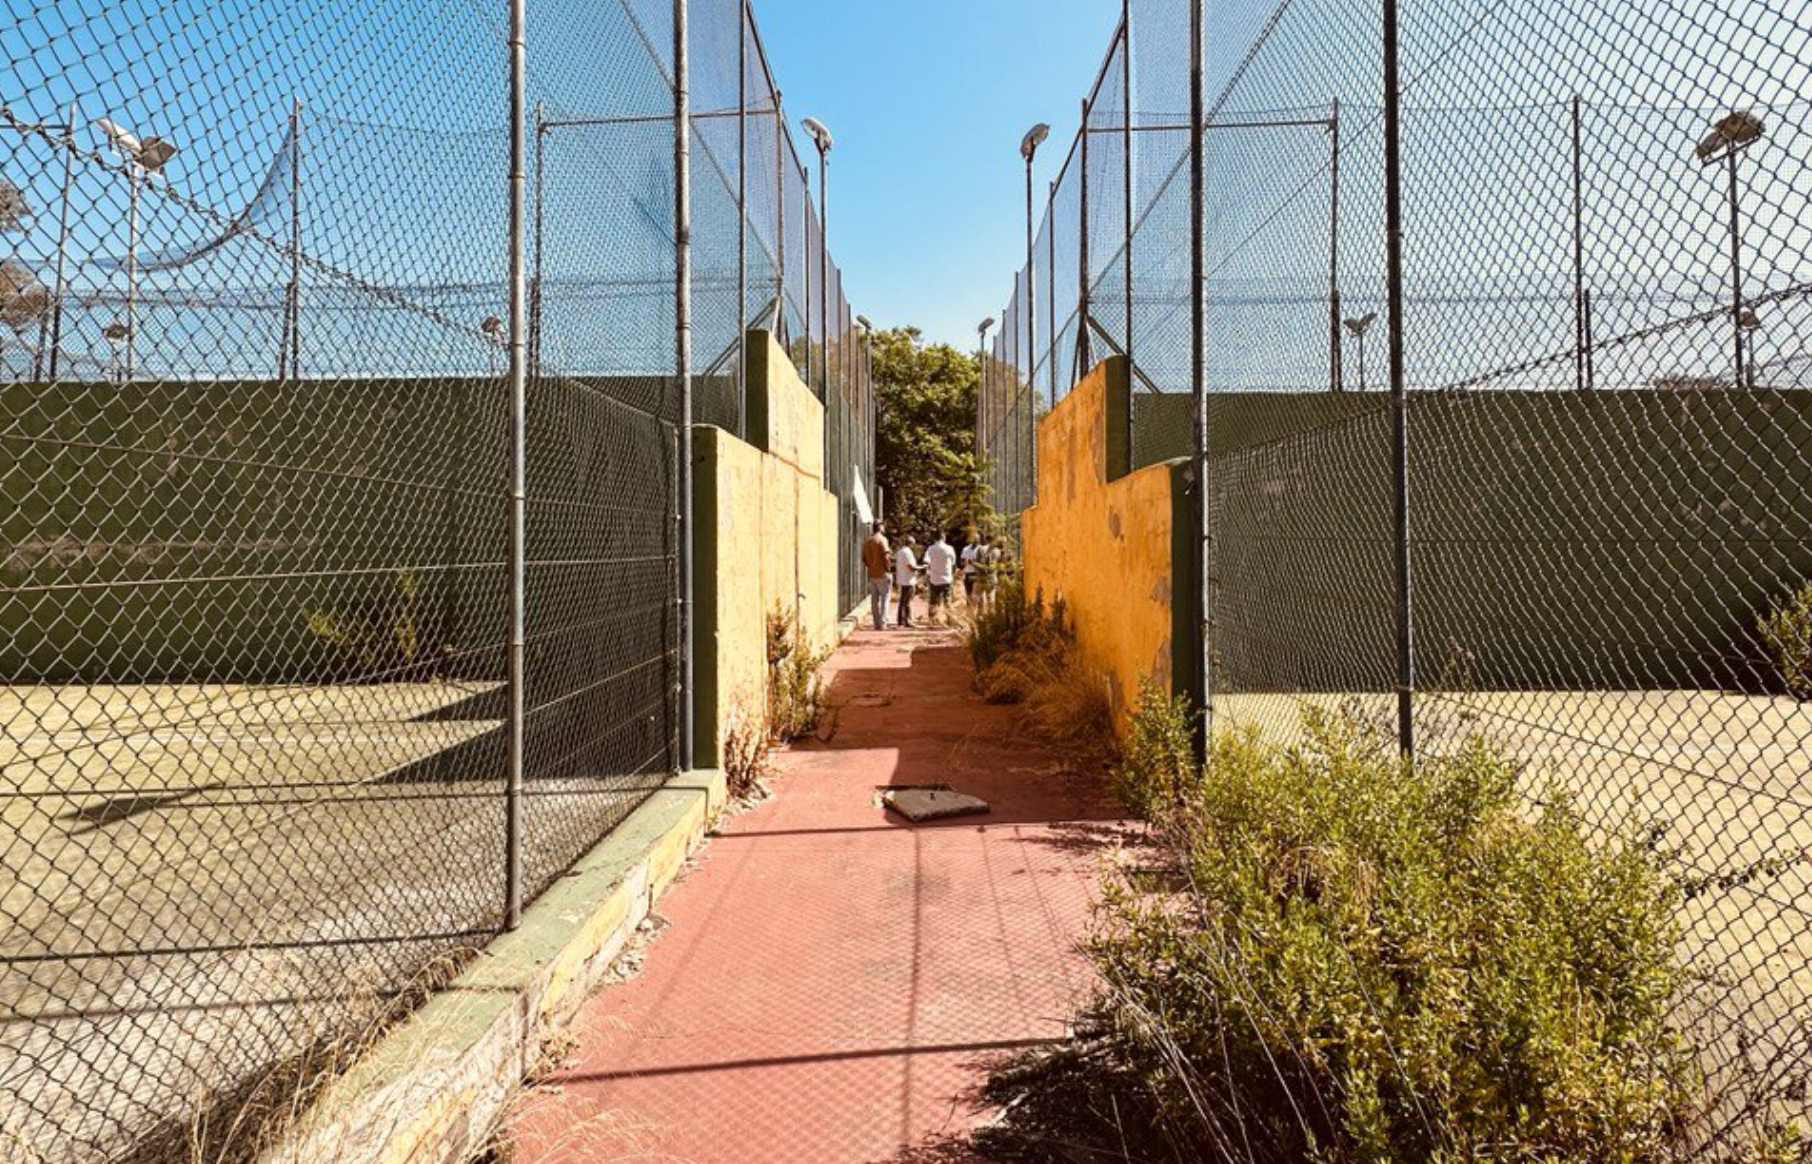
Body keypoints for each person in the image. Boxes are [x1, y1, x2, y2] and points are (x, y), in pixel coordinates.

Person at [862, 522, 892, 631]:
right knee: (885, 598)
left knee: (874, 600)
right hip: (882, 573)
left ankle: (876, 623)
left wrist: (871, 566)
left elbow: (864, 558)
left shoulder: (867, 541)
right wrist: (888, 569)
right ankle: (883, 623)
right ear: (880, 527)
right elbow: (886, 556)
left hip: (872, 574)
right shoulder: (882, 539)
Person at [925, 532, 957, 623]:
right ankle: (949, 620)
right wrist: (952, 574)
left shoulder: (930, 549)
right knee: (947, 600)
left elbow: (926, 562)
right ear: (943, 537)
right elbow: (953, 563)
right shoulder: (949, 548)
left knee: (933, 601)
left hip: (934, 578)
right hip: (947, 578)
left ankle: (932, 621)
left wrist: (929, 573)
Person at [893, 536, 923, 628]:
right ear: (911, 543)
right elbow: (911, 567)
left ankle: (900, 620)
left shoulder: (900, 551)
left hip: (902, 578)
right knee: (907, 601)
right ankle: (907, 620)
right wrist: (922, 567)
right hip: (908, 579)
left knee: (903, 600)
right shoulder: (908, 552)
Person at [960, 534, 987, 611]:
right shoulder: (965, 549)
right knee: (968, 594)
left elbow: (984, 563)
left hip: (978, 574)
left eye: (977, 539)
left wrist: (973, 562)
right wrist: (964, 562)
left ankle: (980, 613)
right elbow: (961, 562)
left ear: (979, 540)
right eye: (974, 539)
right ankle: (969, 612)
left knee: (979, 595)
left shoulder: (982, 549)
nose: (975, 540)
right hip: (968, 573)